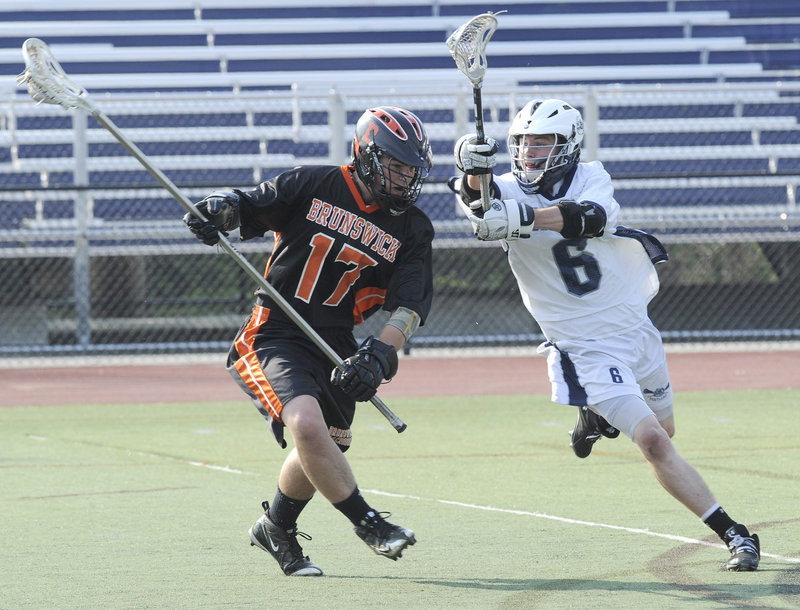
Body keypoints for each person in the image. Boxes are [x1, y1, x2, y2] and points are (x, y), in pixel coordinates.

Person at [451, 98, 760, 572]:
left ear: (569, 144)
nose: (530, 152)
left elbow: (590, 216)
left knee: (667, 431)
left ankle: (594, 420)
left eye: (542, 142)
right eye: (523, 142)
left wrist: (525, 218)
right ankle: (735, 534)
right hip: (585, 346)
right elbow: (477, 207)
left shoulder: (592, 175)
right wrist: (471, 168)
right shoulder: (505, 186)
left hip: (635, 329)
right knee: (654, 441)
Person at [184, 106, 434, 577]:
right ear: (366, 154)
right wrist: (217, 209)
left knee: (326, 441)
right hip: (276, 328)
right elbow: (245, 204)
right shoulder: (314, 183)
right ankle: (371, 524)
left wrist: (379, 355)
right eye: (397, 165)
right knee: (305, 421)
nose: (405, 178)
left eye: (412, 170)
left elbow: (409, 306)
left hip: (336, 341)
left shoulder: (412, 228)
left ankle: (275, 527)